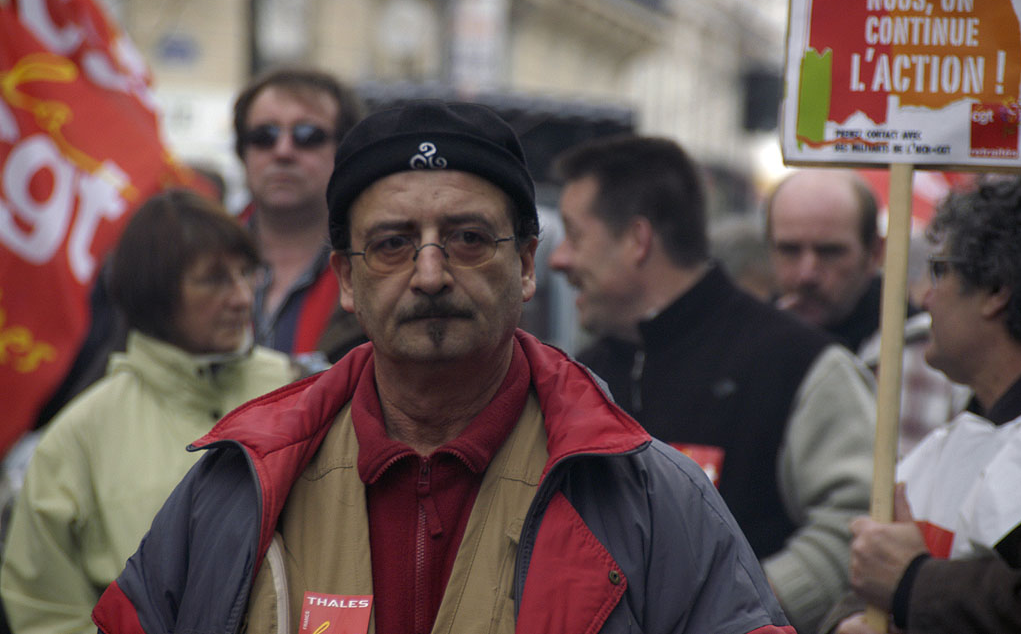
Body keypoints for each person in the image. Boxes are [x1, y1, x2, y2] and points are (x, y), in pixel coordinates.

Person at [92, 101, 795, 634]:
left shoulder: (647, 498)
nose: (430, 274)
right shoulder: (236, 488)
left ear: (525, 265)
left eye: (466, 237)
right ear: (345, 278)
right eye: (394, 243)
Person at [547, 135, 877, 634]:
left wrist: (739, 611)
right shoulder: (580, 377)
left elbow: (856, 521)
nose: (559, 259)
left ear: (637, 240)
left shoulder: (800, 362)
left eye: (575, 235)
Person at [0, 190, 296, 634]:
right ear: (154, 293)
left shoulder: (296, 389)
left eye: (247, 273)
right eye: (214, 279)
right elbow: (44, 609)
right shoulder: (80, 433)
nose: (241, 297)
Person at [823, 174, 1021, 634]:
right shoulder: (950, 445)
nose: (925, 298)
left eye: (940, 272)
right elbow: (863, 586)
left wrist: (914, 582)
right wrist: (849, 623)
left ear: (995, 292)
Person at [766, 168, 969, 457]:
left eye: (830, 251)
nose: (807, 273)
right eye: (789, 250)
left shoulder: (932, 356)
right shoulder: (746, 350)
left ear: (875, 252)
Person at [233, 66, 366, 368]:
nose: (283, 151)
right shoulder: (189, 258)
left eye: (308, 136)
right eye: (263, 136)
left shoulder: (381, 263)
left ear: (343, 151)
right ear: (243, 151)